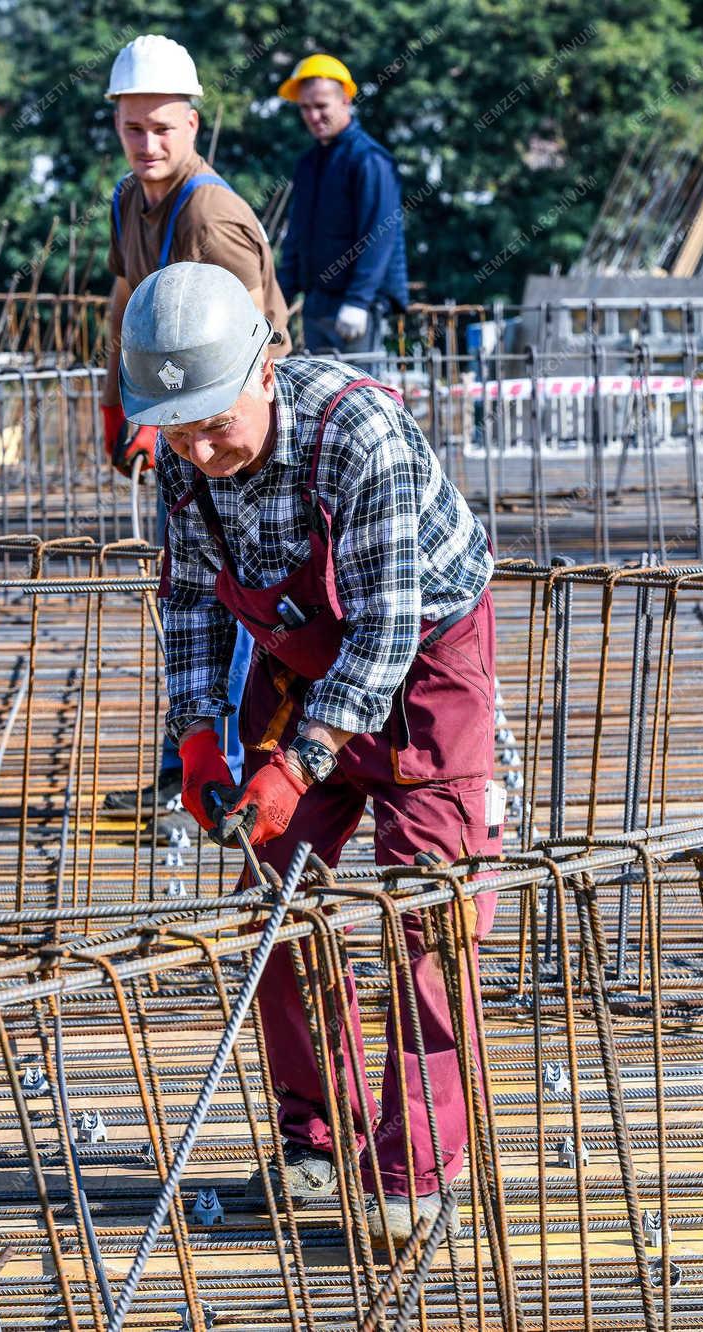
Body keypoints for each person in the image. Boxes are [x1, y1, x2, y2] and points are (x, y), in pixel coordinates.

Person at [119, 260, 500, 1246]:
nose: (201, 447)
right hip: (294, 660)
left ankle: (411, 1169)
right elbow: (193, 601)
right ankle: (314, 1138)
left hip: (421, 669)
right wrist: (199, 739)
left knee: (431, 916)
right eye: (183, 429)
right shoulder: (180, 458)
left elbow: (381, 633)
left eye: (216, 421)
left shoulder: (355, 438)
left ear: (263, 369)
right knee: (279, 900)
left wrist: (301, 762)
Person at [99, 34, 290, 822]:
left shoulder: (209, 216)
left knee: (236, 594)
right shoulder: (127, 200)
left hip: (237, 434)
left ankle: (232, 769)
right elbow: (122, 299)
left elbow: (247, 354)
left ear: (194, 123)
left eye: (163, 128)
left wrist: (195, 430)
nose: (148, 144)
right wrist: (118, 405)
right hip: (179, 421)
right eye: (133, 127)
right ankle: (195, 755)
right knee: (190, 589)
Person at [276, 53, 408, 359]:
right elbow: (297, 237)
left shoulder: (369, 160)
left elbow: (380, 235)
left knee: (360, 399)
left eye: (321, 106)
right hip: (318, 303)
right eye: (305, 108)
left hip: (358, 308)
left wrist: (359, 301)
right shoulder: (309, 164)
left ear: (346, 100)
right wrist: (279, 298)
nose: (312, 115)